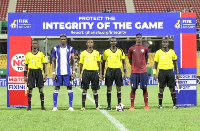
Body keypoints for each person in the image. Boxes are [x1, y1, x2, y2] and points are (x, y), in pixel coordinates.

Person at [153, 37, 179, 109]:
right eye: (163, 42)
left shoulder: (172, 52)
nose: (165, 43)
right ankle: (160, 105)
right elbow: (155, 64)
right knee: (161, 89)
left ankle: (175, 105)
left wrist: (177, 73)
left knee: (172, 88)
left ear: (168, 43)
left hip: (170, 71)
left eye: (166, 42)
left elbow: (175, 63)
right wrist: (154, 73)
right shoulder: (158, 52)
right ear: (161, 44)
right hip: (161, 71)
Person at [51, 34, 75, 111]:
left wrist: (73, 72)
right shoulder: (55, 49)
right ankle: (55, 106)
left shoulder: (70, 49)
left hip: (68, 72)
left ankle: (70, 106)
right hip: (58, 72)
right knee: (56, 88)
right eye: (62, 39)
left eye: (64, 39)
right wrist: (53, 73)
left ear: (66, 40)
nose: (63, 40)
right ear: (60, 40)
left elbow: (73, 61)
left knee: (69, 87)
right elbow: (53, 61)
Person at [102, 37, 127, 110]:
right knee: (109, 88)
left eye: (114, 41)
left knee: (118, 88)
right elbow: (103, 63)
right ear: (110, 42)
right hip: (109, 70)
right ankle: (109, 106)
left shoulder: (120, 51)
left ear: (116, 42)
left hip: (118, 70)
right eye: (112, 41)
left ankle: (119, 105)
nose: (113, 42)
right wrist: (102, 74)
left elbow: (124, 62)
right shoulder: (106, 52)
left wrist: (125, 72)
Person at [79, 39, 102, 111]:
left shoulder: (96, 53)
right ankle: (83, 106)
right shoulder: (83, 53)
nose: (90, 43)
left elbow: (99, 64)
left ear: (93, 44)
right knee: (84, 89)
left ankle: (97, 106)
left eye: (91, 42)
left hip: (94, 72)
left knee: (95, 90)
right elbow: (81, 64)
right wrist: (80, 74)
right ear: (86, 44)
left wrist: (100, 74)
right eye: (88, 42)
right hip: (86, 72)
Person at [24, 39, 47, 111]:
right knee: (30, 89)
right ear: (31, 45)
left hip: (39, 72)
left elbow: (44, 65)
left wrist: (45, 74)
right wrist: (25, 75)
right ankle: (29, 107)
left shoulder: (41, 54)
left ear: (37, 45)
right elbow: (26, 66)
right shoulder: (28, 54)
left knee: (41, 89)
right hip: (31, 72)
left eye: (35, 43)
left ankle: (42, 107)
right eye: (33, 43)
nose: (34, 45)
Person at [128, 33, 149, 110]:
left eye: (140, 37)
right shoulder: (131, 48)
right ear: (135, 38)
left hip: (143, 71)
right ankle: (132, 106)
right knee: (133, 88)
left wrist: (143, 65)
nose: (139, 38)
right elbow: (130, 59)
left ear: (142, 38)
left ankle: (146, 105)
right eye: (138, 37)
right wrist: (134, 66)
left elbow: (146, 58)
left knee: (144, 88)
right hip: (134, 71)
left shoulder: (145, 48)